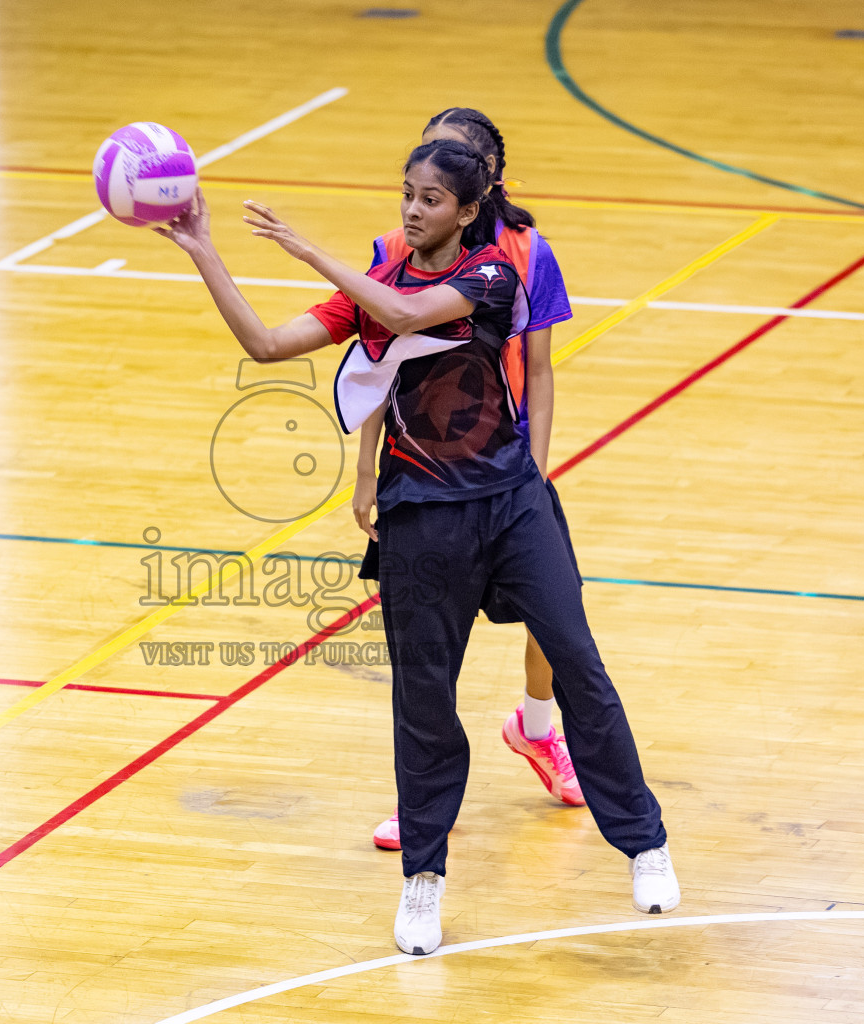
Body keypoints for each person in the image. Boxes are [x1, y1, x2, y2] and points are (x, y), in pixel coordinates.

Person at [156, 139, 678, 958]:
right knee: (425, 702)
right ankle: (424, 883)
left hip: (509, 505)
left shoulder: (489, 277)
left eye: (431, 198)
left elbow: (404, 316)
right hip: (420, 517)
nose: (412, 209)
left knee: (577, 659)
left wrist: (304, 247)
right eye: (407, 193)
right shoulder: (375, 287)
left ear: (468, 214)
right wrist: (203, 250)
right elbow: (264, 342)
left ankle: (645, 843)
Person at [368, 107, 582, 855]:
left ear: (480, 185)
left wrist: (539, 467)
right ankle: (425, 805)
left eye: (451, 164)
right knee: (430, 648)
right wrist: (365, 470)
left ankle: (534, 726)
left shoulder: (524, 251)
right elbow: (375, 361)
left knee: (557, 619)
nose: (430, 177)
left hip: (509, 461)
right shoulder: (397, 248)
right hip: (426, 471)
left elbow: (544, 368)